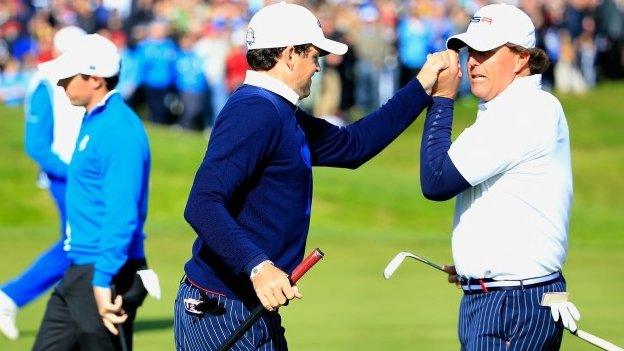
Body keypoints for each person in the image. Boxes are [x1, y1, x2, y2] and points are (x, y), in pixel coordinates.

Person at [174, 2, 451, 350]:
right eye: (313, 55)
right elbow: (202, 204)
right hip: (222, 308)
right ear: (290, 55)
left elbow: (354, 146)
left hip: (249, 305)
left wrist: (422, 87)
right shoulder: (255, 111)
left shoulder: (281, 111)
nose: (317, 67)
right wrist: (258, 266)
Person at [418, 4, 579, 350]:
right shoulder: (512, 110)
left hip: (511, 303)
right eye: (471, 51)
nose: (473, 61)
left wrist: (443, 99)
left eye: (486, 51)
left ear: (522, 58)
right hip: (507, 297)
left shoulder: (523, 112)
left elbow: (436, 180)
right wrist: (475, 263)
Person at [32, 33, 151, 351]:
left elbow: (122, 212)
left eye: (68, 77)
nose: (60, 85)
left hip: (105, 271)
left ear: (95, 79)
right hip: (79, 270)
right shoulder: (95, 121)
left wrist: (102, 280)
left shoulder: (118, 130)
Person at [0, 25, 86, 341]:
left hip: (82, 176)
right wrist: (68, 170)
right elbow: (36, 143)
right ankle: (10, 296)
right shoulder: (45, 83)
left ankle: (76, 313)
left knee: (81, 243)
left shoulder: (83, 81)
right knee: (76, 244)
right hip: (64, 177)